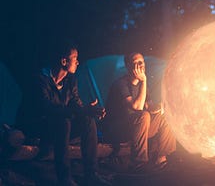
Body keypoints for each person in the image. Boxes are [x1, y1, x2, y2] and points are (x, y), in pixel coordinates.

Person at [16, 43, 109, 186]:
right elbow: (47, 108)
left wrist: (87, 110)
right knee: (63, 121)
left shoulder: (70, 81)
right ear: (64, 61)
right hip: (37, 128)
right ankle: (64, 178)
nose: (77, 62)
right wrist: (81, 111)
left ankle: (91, 173)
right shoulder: (40, 80)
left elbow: (76, 106)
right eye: (75, 58)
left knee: (87, 120)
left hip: (60, 128)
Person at [101, 52, 176, 173]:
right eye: (137, 63)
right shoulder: (120, 85)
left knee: (165, 115)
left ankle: (162, 159)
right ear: (129, 66)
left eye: (142, 62)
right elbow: (137, 107)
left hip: (137, 129)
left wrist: (160, 107)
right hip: (117, 130)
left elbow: (148, 106)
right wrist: (144, 80)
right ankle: (139, 163)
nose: (141, 65)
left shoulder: (142, 86)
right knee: (144, 116)